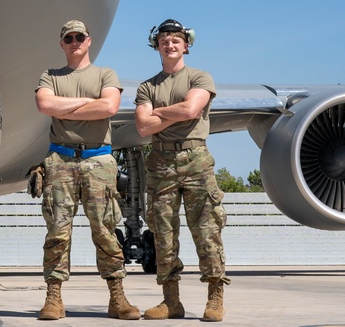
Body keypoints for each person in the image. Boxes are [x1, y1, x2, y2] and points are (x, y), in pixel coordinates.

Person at [34, 20, 140, 321]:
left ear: (89, 40)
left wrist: (63, 106)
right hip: (60, 161)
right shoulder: (50, 75)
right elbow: (44, 104)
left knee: (106, 231)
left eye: (79, 37)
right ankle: (53, 297)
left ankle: (117, 297)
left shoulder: (105, 74)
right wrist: (88, 102)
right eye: (69, 37)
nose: (74, 41)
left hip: (99, 160)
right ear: (62, 43)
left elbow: (108, 108)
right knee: (57, 232)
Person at [134, 19, 228, 322]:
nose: (169, 44)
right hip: (161, 162)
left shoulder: (200, 77)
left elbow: (192, 110)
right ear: (156, 46)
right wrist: (176, 112)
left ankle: (215, 297)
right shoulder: (147, 86)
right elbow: (142, 125)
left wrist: (158, 112)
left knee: (207, 230)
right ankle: (171, 301)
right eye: (164, 40)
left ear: (186, 45)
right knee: (163, 234)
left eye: (175, 40)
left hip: (196, 159)